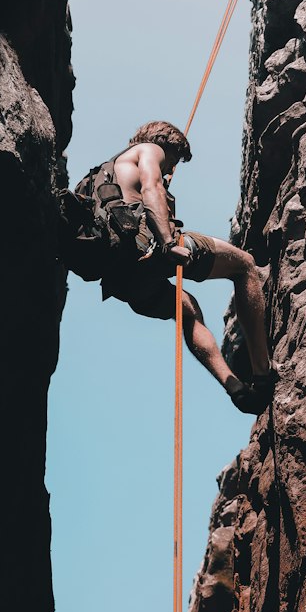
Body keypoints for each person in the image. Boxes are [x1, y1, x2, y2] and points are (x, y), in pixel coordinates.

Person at [97, 120, 276, 414]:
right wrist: (168, 242)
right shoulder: (148, 149)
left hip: (121, 277)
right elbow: (152, 186)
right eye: (173, 161)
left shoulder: (106, 175)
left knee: (186, 308)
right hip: (148, 247)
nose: (169, 170)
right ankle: (262, 374)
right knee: (243, 265)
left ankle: (234, 387)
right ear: (167, 144)